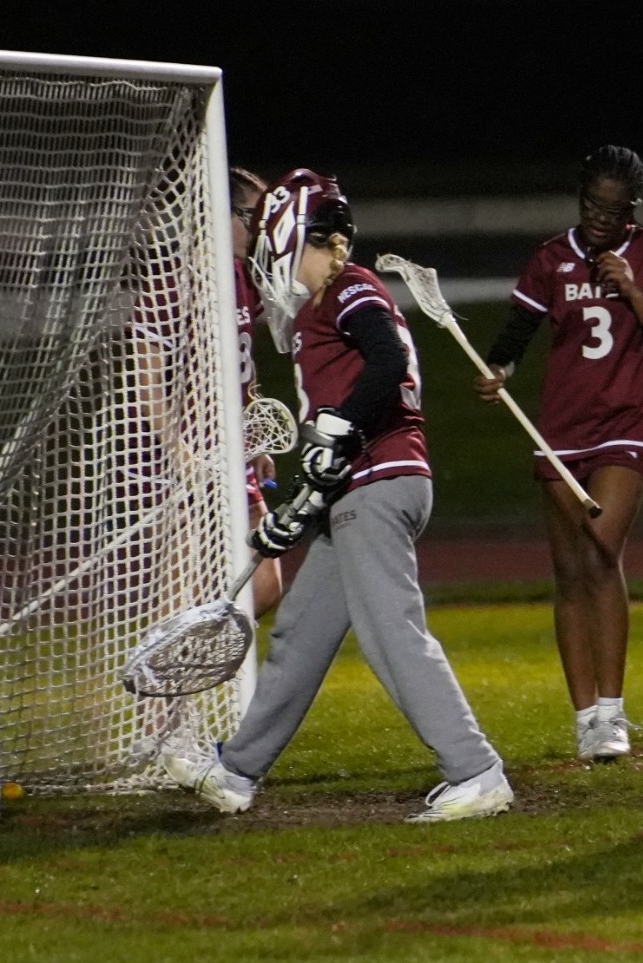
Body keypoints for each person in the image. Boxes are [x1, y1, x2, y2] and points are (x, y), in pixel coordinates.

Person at [165, 170, 512, 823]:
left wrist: (343, 430)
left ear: (302, 235)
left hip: (381, 481)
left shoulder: (348, 288)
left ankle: (475, 769)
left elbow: (384, 364)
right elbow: (335, 441)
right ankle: (238, 771)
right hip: (361, 482)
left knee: (391, 635)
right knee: (299, 633)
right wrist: (292, 517)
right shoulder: (324, 305)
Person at [475, 146, 643, 764]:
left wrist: (634, 291)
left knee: (602, 550)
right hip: (560, 430)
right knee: (570, 571)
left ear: (634, 209)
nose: (600, 219)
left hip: (627, 424)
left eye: (614, 210)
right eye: (592, 206)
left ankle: (612, 711)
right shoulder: (550, 258)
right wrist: (499, 370)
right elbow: (515, 335)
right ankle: (585, 721)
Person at [229, 166, 283, 615]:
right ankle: (170, 682)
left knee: (264, 586)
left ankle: (203, 672)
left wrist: (256, 436)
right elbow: (148, 372)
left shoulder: (245, 280)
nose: (260, 228)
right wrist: (177, 451)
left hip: (236, 453)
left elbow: (244, 366)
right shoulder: (184, 278)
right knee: (188, 589)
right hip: (189, 459)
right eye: (252, 215)